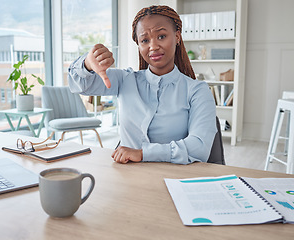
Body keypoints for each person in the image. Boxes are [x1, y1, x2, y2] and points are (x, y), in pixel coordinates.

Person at [68, 5, 217, 164]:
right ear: (139, 46)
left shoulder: (197, 91)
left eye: (161, 36)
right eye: (145, 40)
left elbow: (199, 147)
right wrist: (87, 64)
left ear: (177, 37)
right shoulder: (125, 79)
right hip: (128, 176)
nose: (153, 46)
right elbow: (79, 85)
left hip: (174, 177)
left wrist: (143, 153)